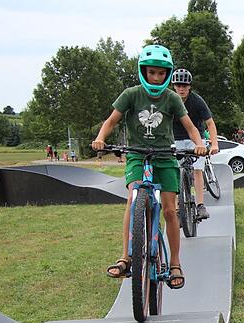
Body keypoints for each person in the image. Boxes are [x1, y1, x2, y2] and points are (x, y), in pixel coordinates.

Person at [91, 45, 206, 289]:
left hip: (164, 156)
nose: (156, 78)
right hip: (137, 155)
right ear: (144, 72)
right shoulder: (131, 94)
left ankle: (175, 263)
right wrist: (101, 138)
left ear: (167, 74)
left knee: (169, 211)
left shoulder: (172, 98)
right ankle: (126, 257)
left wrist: (199, 144)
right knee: (133, 200)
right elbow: (112, 120)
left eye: (161, 74)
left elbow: (190, 126)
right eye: (152, 73)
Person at [171, 68, 219, 221]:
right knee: (173, 173)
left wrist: (214, 144)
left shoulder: (197, 101)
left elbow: (210, 123)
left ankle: (200, 205)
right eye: (178, 85)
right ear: (174, 86)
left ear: (189, 86)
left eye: (184, 86)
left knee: (197, 170)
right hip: (175, 139)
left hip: (196, 139)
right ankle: (178, 209)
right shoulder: (170, 100)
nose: (181, 89)